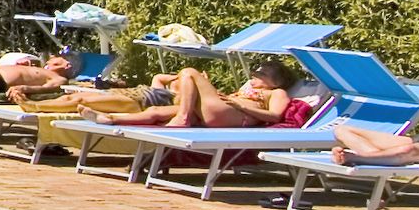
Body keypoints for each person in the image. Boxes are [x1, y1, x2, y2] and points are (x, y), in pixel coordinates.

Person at [86, 66, 305, 130]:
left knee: (189, 72)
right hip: (222, 110)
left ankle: (183, 118)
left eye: (261, 76)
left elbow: (275, 116)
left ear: (276, 81)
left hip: (235, 117)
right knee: (155, 112)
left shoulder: (277, 93)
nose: (254, 79)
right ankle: (110, 119)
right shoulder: (249, 89)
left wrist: (240, 104)